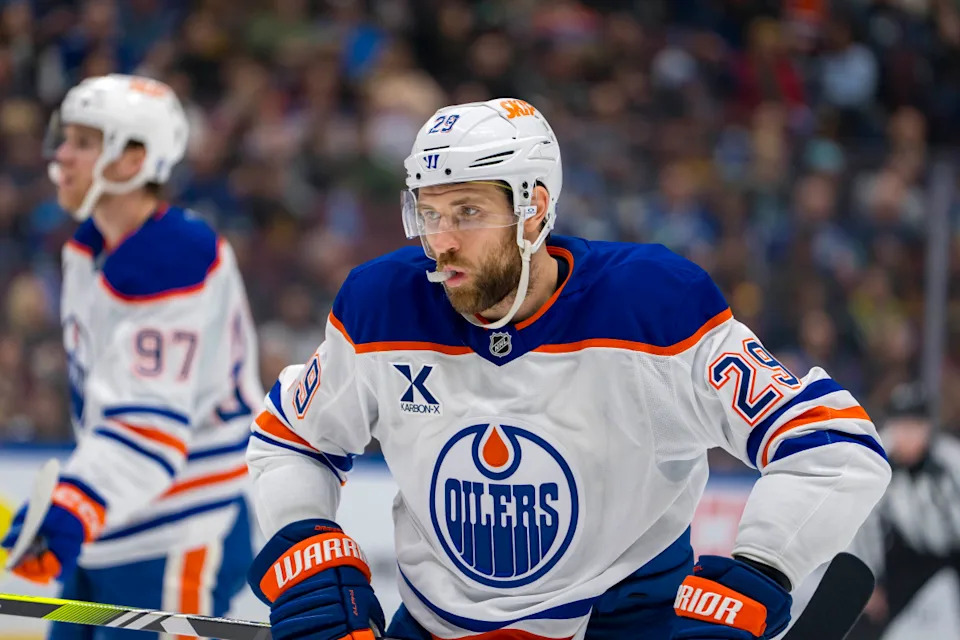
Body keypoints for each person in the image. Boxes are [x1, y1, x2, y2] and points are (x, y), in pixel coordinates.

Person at [245, 97, 891, 640]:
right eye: (431, 212)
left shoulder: (653, 308)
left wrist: (755, 578)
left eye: (467, 212)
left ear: (533, 208)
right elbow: (292, 438)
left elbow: (836, 449)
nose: (440, 240)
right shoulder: (380, 306)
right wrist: (308, 557)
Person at [1, 74, 261, 639]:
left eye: (84, 142)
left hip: (180, 531)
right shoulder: (87, 249)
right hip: (113, 525)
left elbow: (151, 427)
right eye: (64, 138)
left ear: (134, 158)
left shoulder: (177, 260)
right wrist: (73, 497)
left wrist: (74, 504)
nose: (62, 156)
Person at [847, 382, 960, 640]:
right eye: (901, 426)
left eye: (915, 427)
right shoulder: (877, 459)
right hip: (905, 550)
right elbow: (863, 524)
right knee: (866, 616)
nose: (907, 436)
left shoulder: (950, 460)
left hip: (953, 547)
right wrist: (869, 580)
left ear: (928, 428)